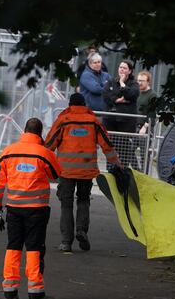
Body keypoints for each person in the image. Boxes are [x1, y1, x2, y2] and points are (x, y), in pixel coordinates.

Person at [0, 118, 61, 299]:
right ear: (40, 133)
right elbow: (55, 174)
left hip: (13, 208)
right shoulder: (43, 153)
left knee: (13, 247)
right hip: (37, 209)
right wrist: (44, 148)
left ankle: (10, 290)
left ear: (24, 130)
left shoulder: (7, 152)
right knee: (34, 248)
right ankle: (35, 292)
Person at [45, 93, 122, 253]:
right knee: (83, 200)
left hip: (66, 171)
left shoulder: (63, 121)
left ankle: (66, 242)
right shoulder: (93, 121)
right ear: (84, 104)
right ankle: (81, 230)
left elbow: (49, 145)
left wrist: (41, 164)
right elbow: (107, 145)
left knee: (66, 204)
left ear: (70, 104)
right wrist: (117, 163)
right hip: (87, 171)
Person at [102, 60, 140, 169]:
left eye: (124, 68)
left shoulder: (134, 84)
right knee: (110, 147)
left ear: (130, 71)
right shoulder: (111, 81)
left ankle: (122, 170)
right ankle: (110, 169)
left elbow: (132, 95)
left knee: (124, 148)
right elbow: (106, 95)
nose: (121, 70)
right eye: (120, 67)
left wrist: (123, 84)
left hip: (126, 123)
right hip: (111, 121)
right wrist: (117, 100)